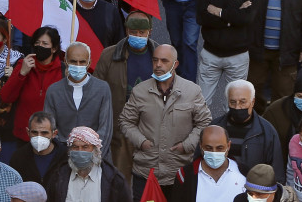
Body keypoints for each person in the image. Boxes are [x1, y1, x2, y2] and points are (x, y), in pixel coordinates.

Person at [117, 44, 213, 200]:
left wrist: (187, 145)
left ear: (175, 64)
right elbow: (125, 121)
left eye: (164, 61)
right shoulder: (140, 91)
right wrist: (141, 142)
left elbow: (204, 123)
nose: (158, 65)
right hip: (146, 172)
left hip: (178, 171)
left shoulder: (192, 91)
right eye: (155, 60)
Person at [92, 13, 158, 179]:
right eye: (133, 32)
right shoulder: (109, 55)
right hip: (119, 129)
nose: (137, 36)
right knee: (120, 179)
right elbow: (96, 90)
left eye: (141, 33)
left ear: (149, 31)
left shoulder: (160, 55)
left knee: (148, 181)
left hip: (151, 129)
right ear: (126, 30)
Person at [197, 0, 258, 120]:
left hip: (237, 56)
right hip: (210, 53)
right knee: (201, 103)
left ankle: (228, 139)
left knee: (234, 105)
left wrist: (219, 12)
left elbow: (247, 19)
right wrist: (234, 15)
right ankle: (200, 138)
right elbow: (202, 17)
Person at [42, 42, 113, 150]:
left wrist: (95, 156)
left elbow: (105, 129)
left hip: (95, 156)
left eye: (82, 62)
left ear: (89, 63)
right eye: (73, 62)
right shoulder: (54, 91)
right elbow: (49, 127)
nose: (78, 66)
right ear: (65, 62)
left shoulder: (102, 88)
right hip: (62, 157)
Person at [1, 26, 64, 147]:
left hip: (52, 138)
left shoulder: (62, 71)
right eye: (37, 42)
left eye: (45, 43)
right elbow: (6, 97)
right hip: (24, 136)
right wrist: (22, 74)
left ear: (54, 48)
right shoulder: (23, 64)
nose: (40, 46)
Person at [213, 80, 284, 182]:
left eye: (242, 102)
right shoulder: (215, 128)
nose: (237, 107)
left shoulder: (267, 132)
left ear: (253, 102)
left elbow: (276, 171)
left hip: (253, 191)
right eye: (233, 102)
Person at [43, 126, 131, 202]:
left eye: (85, 147)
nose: (80, 151)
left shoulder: (113, 179)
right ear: (70, 151)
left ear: (95, 150)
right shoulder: (58, 176)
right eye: (75, 147)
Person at [169, 125, 247, 202]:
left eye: (219, 148)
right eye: (208, 148)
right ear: (200, 146)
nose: (214, 152)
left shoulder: (244, 173)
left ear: (228, 146)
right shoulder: (184, 175)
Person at [7, 111, 68, 185]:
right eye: (35, 132)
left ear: (54, 134)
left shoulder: (66, 156)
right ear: (28, 132)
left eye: (44, 133)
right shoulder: (18, 157)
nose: (39, 136)